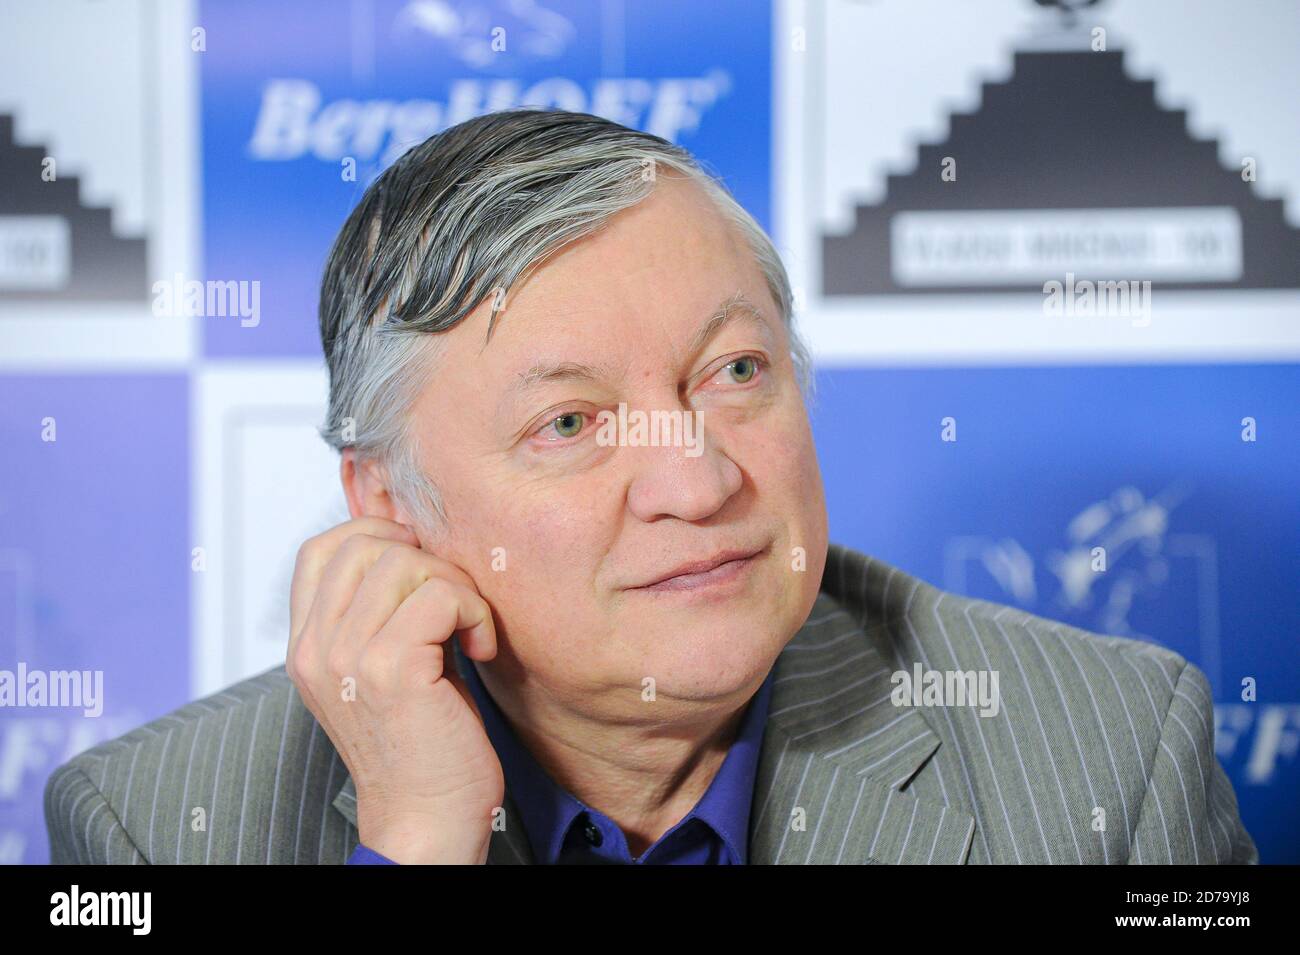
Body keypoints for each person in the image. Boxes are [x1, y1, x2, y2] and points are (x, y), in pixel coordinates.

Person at [45, 108, 1256, 865]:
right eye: (570, 422)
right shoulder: (154, 824)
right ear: (389, 505)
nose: (696, 474)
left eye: (734, 370)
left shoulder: (1106, 756)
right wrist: (414, 844)